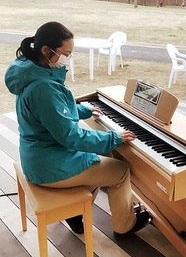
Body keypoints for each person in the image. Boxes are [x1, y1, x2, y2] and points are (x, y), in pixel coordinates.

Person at [5, 21, 151, 238]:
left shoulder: (31, 70)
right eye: (65, 54)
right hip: (49, 167)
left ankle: (75, 212)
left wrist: (83, 110)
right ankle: (125, 225)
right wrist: (113, 137)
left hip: (39, 155)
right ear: (47, 51)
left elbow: (54, 112)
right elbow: (70, 136)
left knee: (102, 156)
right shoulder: (44, 88)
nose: (68, 60)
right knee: (120, 170)